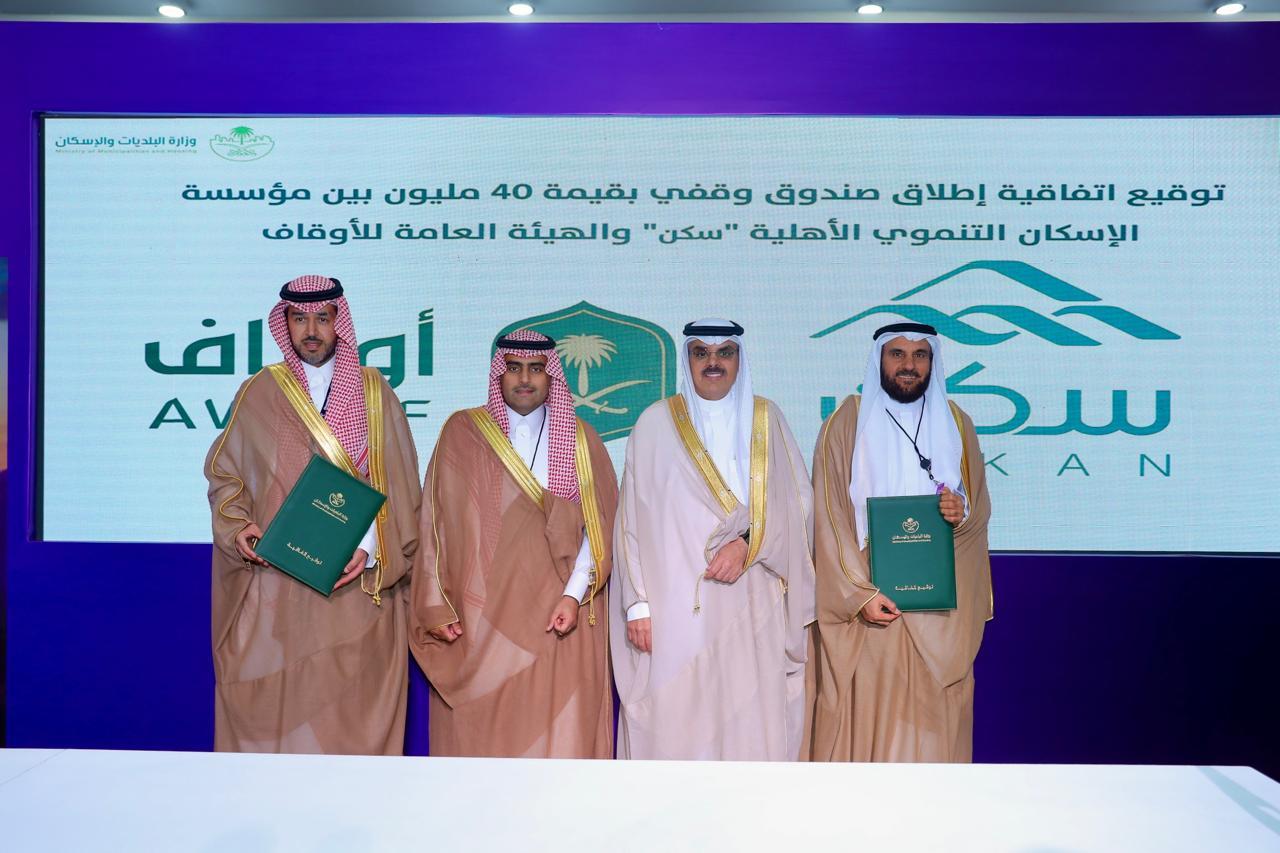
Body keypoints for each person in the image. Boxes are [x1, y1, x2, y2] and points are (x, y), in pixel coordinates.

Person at [204, 274, 421, 754]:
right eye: (299, 319)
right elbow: (226, 474)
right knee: (275, 714)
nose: (311, 330)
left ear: (338, 321)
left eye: (322, 318)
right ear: (284, 324)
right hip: (276, 584)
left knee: (349, 718)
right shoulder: (260, 390)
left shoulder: (374, 392)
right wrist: (238, 527)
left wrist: (369, 549)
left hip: (354, 582)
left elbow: (402, 483)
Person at [611, 319, 814, 760]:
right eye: (701, 352)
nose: (713, 362)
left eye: (725, 352)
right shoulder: (653, 424)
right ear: (687, 359)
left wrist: (748, 544)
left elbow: (797, 504)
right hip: (673, 609)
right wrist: (637, 604)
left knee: (748, 719)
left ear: (740, 358)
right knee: (677, 721)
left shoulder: (767, 419)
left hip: (751, 596)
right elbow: (630, 523)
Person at [409, 330, 616, 758]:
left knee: (559, 743)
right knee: (484, 746)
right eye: (514, 368)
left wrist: (573, 595)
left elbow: (599, 532)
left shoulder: (581, 441)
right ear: (497, 374)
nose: (525, 379)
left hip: (557, 616)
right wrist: (436, 606)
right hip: (482, 622)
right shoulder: (463, 432)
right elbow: (434, 524)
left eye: (536, 369)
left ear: (551, 375)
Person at [806, 322, 993, 762]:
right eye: (897, 354)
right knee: (871, 722)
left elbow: (978, 507)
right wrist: (858, 593)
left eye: (919, 355)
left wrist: (960, 511)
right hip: (872, 603)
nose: (909, 365)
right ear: (879, 360)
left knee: (932, 735)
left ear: (932, 362)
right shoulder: (847, 422)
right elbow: (829, 514)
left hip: (938, 607)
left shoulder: (958, 424)